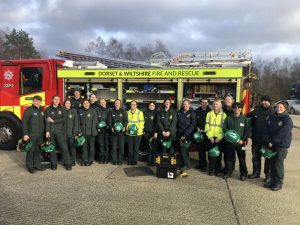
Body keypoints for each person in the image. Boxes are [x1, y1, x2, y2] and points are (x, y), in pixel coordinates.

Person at [264, 101, 293, 191]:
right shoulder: (272, 117)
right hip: (271, 144)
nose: (278, 109)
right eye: (277, 107)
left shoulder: (287, 119)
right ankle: (272, 181)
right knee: (272, 163)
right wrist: (268, 141)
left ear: (285, 109)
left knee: (278, 164)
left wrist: (273, 141)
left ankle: (278, 182)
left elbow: (283, 133)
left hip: (281, 145)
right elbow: (266, 130)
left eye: (281, 107)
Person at [247, 95, 275, 181]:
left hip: (267, 141)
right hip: (256, 139)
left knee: (268, 159)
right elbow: (247, 115)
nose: (264, 102)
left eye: (266, 101)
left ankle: (268, 176)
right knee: (255, 157)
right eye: (263, 100)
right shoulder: (257, 109)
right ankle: (256, 173)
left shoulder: (273, 112)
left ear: (269, 102)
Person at [223, 102, 251, 180]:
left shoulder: (245, 119)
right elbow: (224, 129)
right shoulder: (228, 118)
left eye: (239, 108)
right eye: (235, 108)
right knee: (229, 159)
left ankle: (243, 174)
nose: (237, 109)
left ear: (241, 109)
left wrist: (243, 140)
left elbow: (247, 131)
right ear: (232, 109)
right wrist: (229, 136)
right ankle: (228, 172)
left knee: (242, 159)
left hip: (240, 143)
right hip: (230, 143)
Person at [45, 95, 72, 170]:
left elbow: (64, 118)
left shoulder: (62, 108)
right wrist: (47, 131)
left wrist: (54, 121)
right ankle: (54, 164)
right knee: (52, 148)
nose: (56, 101)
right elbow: (47, 121)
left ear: (59, 101)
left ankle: (68, 163)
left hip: (60, 131)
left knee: (64, 147)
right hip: (51, 131)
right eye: (55, 99)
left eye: (58, 99)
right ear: (52, 100)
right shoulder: (48, 109)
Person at [22, 95, 45, 173]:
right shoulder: (29, 110)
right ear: (33, 101)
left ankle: (37, 165)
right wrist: (25, 134)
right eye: (36, 101)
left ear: (40, 102)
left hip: (40, 135)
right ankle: (30, 166)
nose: (37, 102)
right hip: (31, 135)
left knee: (38, 150)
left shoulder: (42, 110)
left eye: (39, 101)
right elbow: (24, 123)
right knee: (30, 150)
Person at [205, 98, 227, 176]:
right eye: (214, 104)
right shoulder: (209, 114)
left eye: (217, 104)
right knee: (210, 154)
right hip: (210, 138)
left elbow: (224, 128)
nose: (215, 105)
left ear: (220, 105)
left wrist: (219, 137)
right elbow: (207, 126)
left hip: (219, 138)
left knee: (218, 155)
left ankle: (217, 170)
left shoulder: (224, 115)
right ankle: (211, 170)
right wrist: (210, 137)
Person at [107, 99, 128, 165]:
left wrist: (124, 126)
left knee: (121, 147)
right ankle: (114, 160)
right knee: (113, 147)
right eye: (116, 103)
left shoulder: (123, 111)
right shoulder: (111, 111)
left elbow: (126, 120)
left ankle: (120, 160)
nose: (117, 104)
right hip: (113, 132)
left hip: (121, 132)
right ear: (114, 104)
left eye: (118, 103)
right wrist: (111, 128)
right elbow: (109, 121)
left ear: (120, 104)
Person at [176, 100, 196, 170]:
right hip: (179, 133)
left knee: (184, 149)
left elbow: (193, 125)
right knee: (181, 149)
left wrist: (186, 134)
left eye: (186, 104)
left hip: (187, 134)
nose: (185, 105)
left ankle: (187, 165)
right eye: (184, 104)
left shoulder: (192, 113)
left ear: (189, 105)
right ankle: (183, 163)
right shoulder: (179, 112)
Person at [78, 99, 98, 166]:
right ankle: (84, 160)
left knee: (91, 147)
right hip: (83, 133)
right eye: (84, 103)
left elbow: (95, 122)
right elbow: (78, 123)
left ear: (89, 104)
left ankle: (90, 160)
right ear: (83, 104)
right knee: (84, 147)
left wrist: (93, 132)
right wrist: (80, 132)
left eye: (87, 103)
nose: (86, 104)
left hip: (91, 133)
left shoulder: (93, 111)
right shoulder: (80, 111)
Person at [195, 98, 211, 172]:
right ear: (200, 103)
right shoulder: (197, 111)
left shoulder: (210, 111)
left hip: (208, 134)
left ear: (207, 103)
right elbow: (194, 121)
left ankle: (207, 166)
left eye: (206, 102)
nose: (204, 103)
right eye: (203, 102)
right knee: (200, 150)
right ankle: (201, 164)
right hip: (199, 133)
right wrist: (197, 127)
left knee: (208, 150)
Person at [126, 101, 145, 165]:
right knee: (130, 147)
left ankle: (135, 161)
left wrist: (137, 130)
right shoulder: (127, 112)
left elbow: (142, 122)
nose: (133, 105)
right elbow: (126, 122)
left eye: (134, 104)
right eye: (132, 104)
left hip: (137, 133)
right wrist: (128, 129)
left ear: (136, 105)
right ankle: (130, 160)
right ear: (130, 105)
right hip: (129, 133)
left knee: (136, 148)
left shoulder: (140, 113)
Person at [64, 99, 79, 166]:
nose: (67, 104)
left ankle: (73, 160)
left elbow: (76, 123)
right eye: (66, 103)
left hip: (71, 133)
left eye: (68, 103)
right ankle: (66, 161)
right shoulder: (62, 111)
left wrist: (75, 132)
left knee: (72, 148)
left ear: (70, 104)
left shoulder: (74, 111)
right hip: (63, 134)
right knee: (65, 148)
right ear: (64, 104)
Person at [143, 101, 158, 166]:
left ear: (154, 106)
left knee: (154, 147)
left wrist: (156, 132)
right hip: (147, 133)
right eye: (150, 105)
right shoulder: (145, 113)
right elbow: (143, 122)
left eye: (153, 105)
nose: (151, 106)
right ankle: (149, 161)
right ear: (148, 106)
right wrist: (143, 131)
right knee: (148, 147)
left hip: (154, 133)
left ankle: (154, 161)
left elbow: (158, 124)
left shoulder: (157, 113)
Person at [96, 98, 110, 164]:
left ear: (105, 102)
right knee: (101, 145)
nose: (102, 103)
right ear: (99, 103)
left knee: (106, 145)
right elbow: (96, 120)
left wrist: (107, 126)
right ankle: (101, 159)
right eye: (101, 102)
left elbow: (110, 120)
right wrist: (98, 127)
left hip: (107, 130)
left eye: (103, 102)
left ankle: (106, 159)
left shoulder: (109, 110)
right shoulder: (97, 110)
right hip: (100, 131)